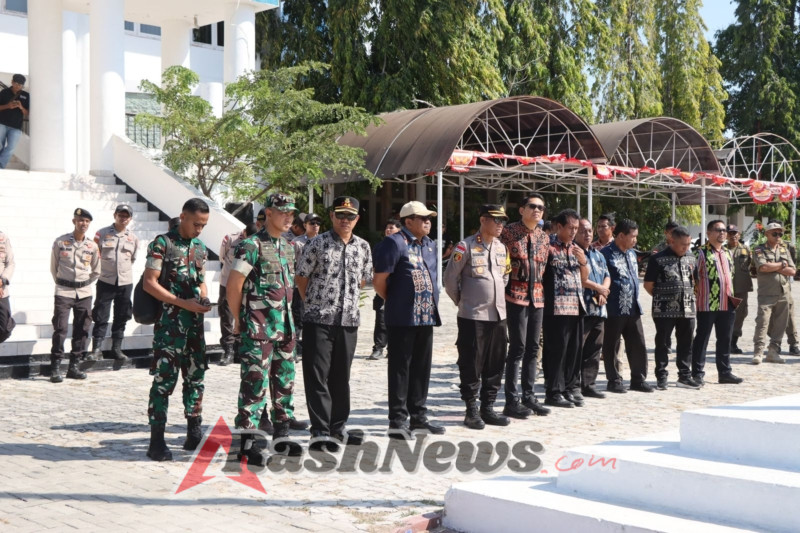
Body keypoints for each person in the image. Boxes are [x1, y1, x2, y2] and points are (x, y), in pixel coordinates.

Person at [227, 193, 303, 465]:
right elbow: (234, 285)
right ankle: (248, 443)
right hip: (257, 327)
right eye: (283, 212)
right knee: (254, 385)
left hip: (285, 327)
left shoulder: (290, 247)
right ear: (268, 213)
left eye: (291, 213)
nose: (288, 217)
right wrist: (239, 320)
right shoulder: (250, 246)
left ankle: (281, 438)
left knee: (284, 382)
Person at [296, 196, 372, 450]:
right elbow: (302, 278)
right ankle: (319, 431)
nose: (345, 220)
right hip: (319, 319)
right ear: (331, 216)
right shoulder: (317, 243)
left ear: (357, 219)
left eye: (350, 216)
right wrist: (315, 304)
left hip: (348, 320)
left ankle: (337, 428)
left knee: (342, 377)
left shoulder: (363, 247)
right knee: (317, 376)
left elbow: (363, 280)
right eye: (340, 215)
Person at [143, 198, 213, 462]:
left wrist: (203, 298)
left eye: (203, 225)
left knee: (196, 378)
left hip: (194, 326)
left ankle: (193, 432)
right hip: (170, 326)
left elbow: (202, 281)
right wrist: (182, 303)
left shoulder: (199, 247)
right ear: (182, 216)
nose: (199, 229)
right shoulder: (162, 243)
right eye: (196, 223)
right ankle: (156, 440)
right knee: (164, 381)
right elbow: (149, 283)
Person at [374, 201, 444, 438]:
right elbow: (380, 280)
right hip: (403, 317)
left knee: (421, 369)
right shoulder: (394, 243)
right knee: (400, 370)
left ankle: (419, 417)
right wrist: (395, 300)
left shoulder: (430, 245)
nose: (427, 221)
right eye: (421, 217)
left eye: (428, 218)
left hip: (426, 316)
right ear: (408, 221)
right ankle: (397, 421)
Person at [444, 205, 511, 429]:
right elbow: (450, 280)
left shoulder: (502, 248)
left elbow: (505, 277)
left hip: (498, 316)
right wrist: (463, 302)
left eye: (503, 221)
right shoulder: (466, 246)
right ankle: (471, 409)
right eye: (496, 220)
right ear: (483, 220)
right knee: (471, 363)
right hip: (473, 316)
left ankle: (488, 407)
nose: (500, 225)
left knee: (495, 363)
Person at [500, 193, 551, 420]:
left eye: (541, 207)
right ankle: (511, 400)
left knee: (533, 348)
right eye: (532, 206)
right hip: (515, 296)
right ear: (521, 209)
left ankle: (529, 396)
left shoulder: (544, 238)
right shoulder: (508, 233)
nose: (537, 210)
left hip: (537, 297)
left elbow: (544, 270)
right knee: (517, 348)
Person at [541, 209, 589, 408]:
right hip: (556, 307)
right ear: (559, 226)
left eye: (576, 228)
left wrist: (583, 261)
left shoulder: (576, 248)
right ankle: (553, 391)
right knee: (556, 351)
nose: (573, 232)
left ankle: (571, 387)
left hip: (576, 305)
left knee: (574, 350)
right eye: (570, 228)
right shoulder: (548, 246)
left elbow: (585, 277)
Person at [600, 218, 653, 393]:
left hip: (633, 307)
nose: (635, 240)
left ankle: (638, 379)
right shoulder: (605, 254)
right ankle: (614, 379)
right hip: (614, 307)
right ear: (621, 235)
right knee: (612, 345)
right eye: (633, 236)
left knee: (638, 343)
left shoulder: (631, 254)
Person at [49, 208, 101, 383]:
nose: (83, 224)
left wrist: (83, 283)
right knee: (60, 328)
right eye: (80, 220)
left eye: (86, 221)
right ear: (74, 222)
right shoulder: (61, 242)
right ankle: (55, 367)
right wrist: (64, 283)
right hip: (64, 291)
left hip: (84, 293)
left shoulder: (92, 246)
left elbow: (96, 270)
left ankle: (74, 367)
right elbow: (53, 267)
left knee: (82, 329)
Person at [643, 226, 697, 389]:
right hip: (664, 308)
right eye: (683, 244)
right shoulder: (657, 259)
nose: (686, 248)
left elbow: (696, 281)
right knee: (663, 343)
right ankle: (661, 375)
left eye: (688, 244)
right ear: (671, 241)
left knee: (686, 342)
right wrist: (664, 297)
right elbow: (648, 285)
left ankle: (684, 376)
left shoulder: (691, 257)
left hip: (687, 307)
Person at [691, 220, 743, 386]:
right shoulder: (700, 253)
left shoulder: (727, 252)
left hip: (727, 303)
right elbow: (692, 276)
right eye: (718, 230)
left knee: (725, 339)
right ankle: (698, 373)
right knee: (702, 339)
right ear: (708, 233)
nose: (722, 233)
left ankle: (725, 372)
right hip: (707, 303)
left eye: (724, 230)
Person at [87, 204, 139, 363]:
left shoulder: (133, 238)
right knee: (101, 314)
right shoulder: (101, 234)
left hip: (125, 282)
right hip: (106, 280)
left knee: (122, 315)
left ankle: (116, 348)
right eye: (120, 215)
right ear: (114, 215)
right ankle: (96, 349)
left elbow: (133, 258)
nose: (123, 218)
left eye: (126, 216)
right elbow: (95, 255)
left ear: (130, 219)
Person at [575, 218, 610, 399]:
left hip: (599, 308)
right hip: (581, 309)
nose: (587, 234)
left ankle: (589, 384)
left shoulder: (598, 254)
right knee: (577, 348)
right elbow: (579, 279)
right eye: (582, 231)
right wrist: (598, 288)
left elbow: (606, 275)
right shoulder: (573, 252)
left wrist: (603, 290)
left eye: (589, 231)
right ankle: (572, 385)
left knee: (594, 348)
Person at [752, 221, 796, 365]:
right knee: (762, 323)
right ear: (766, 234)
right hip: (766, 293)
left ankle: (773, 351)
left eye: (780, 233)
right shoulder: (759, 250)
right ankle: (758, 352)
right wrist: (782, 265)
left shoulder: (784, 250)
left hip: (783, 293)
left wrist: (774, 267)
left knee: (781, 324)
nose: (778, 236)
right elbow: (763, 267)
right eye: (775, 233)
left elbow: (793, 271)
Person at [217, 223, 257, 366]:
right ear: (244, 232)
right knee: (226, 316)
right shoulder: (230, 239)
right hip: (227, 282)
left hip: (246, 284)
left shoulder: (258, 242)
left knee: (243, 315)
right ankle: (228, 350)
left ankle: (240, 349)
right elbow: (222, 257)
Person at [289, 212, 323, 361]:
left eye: (317, 223)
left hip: (318, 287)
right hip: (300, 286)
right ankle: (295, 349)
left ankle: (313, 350)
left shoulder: (324, 241)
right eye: (312, 223)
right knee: (299, 319)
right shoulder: (297, 243)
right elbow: (291, 265)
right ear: (305, 225)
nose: (315, 226)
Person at [369, 219, 401, 360]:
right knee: (381, 319)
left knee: (398, 321)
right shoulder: (380, 246)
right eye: (387, 228)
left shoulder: (403, 245)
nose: (388, 230)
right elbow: (374, 266)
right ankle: (378, 347)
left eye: (392, 228)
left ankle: (394, 348)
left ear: (399, 230)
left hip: (398, 288)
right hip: (382, 287)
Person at [726, 224, 752, 354]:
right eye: (730, 233)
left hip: (741, 288)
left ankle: (733, 342)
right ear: (726, 235)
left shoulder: (746, 250)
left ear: (739, 235)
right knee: (725, 315)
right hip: (726, 289)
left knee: (740, 315)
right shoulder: (722, 250)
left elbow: (751, 266)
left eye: (735, 233)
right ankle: (725, 341)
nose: (733, 236)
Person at [0, 74, 29, 169]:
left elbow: (28, 112)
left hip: (16, 127)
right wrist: (8, 106)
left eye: (20, 85)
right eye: (16, 83)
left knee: (11, 148)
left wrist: (21, 107)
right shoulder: (4, 92)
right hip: (2, 124)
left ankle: (1, 165)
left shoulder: (26, 95)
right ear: (12, 82)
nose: (18, 86)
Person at [0, 229, 15, 343]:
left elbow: (10, 263)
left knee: (5, 328)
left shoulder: (3, 237)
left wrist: (2, 280)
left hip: (2, 291)